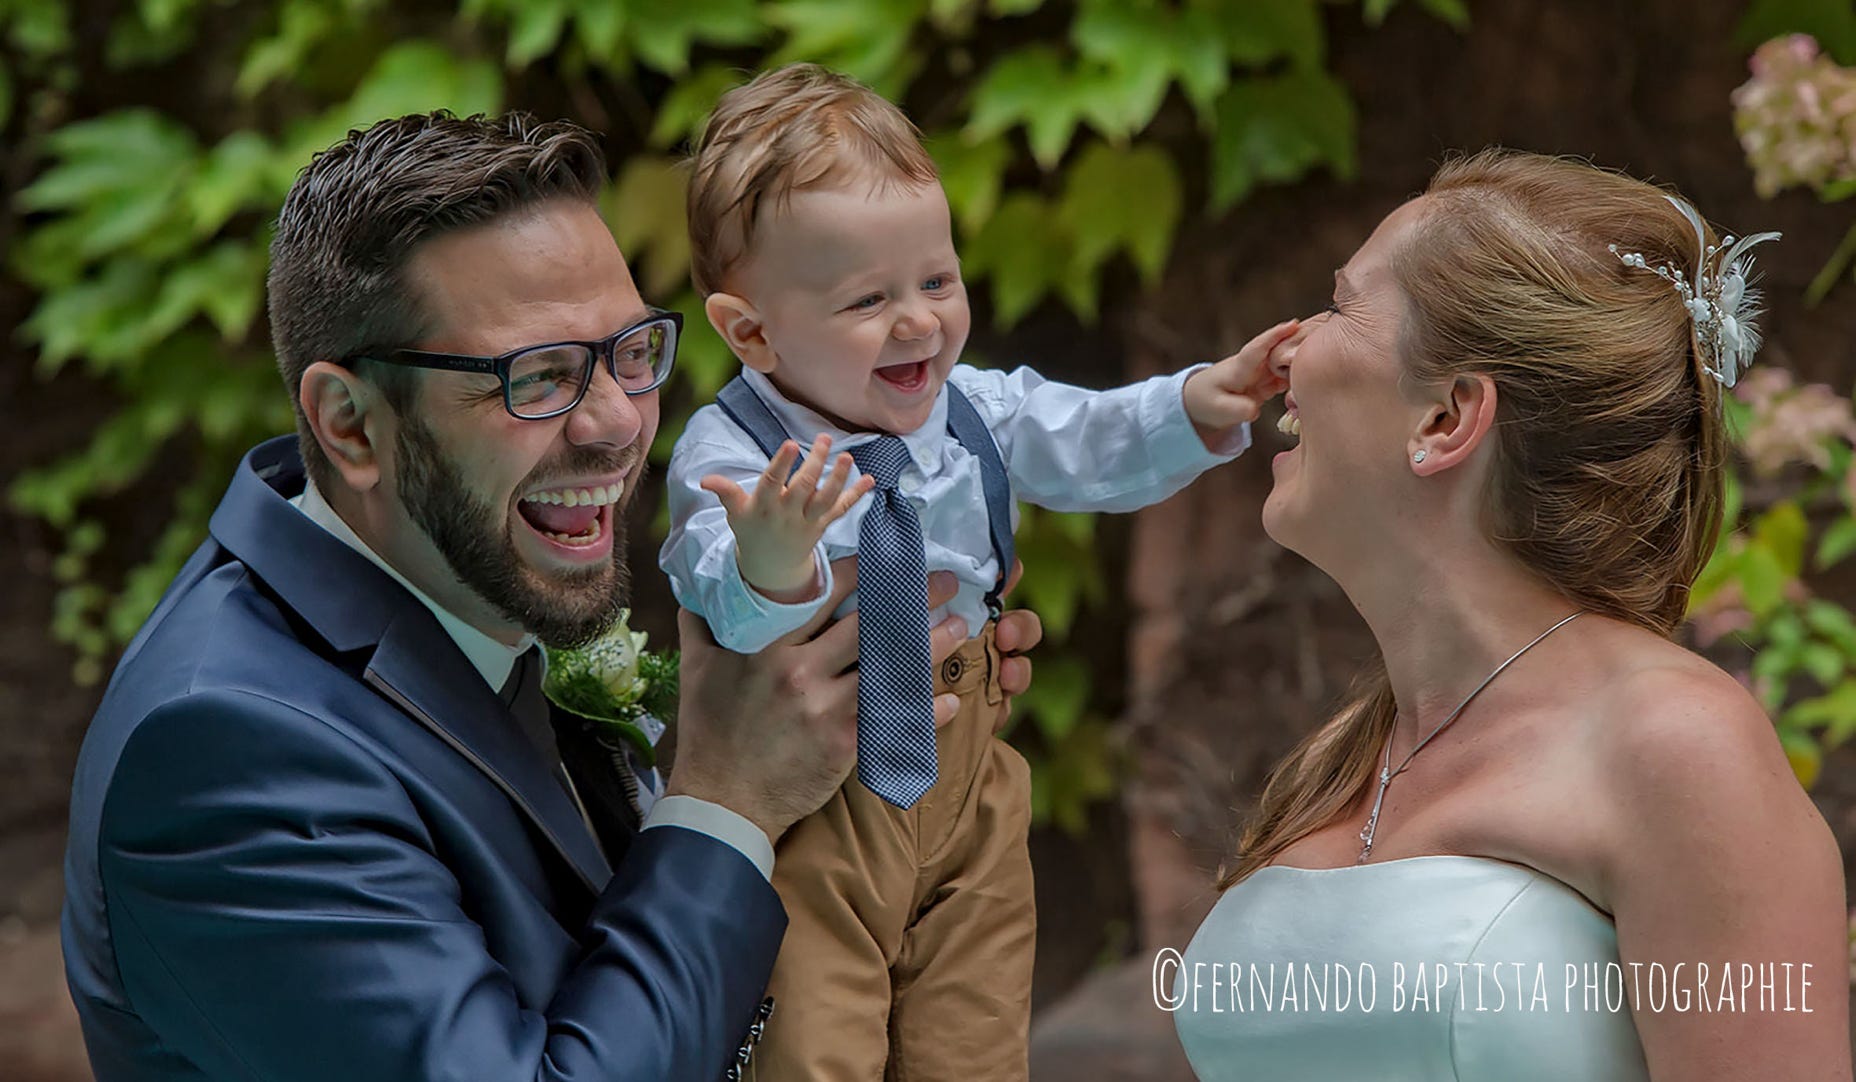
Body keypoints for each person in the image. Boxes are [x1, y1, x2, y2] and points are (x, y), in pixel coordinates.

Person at [58, 110, 1043, 1082]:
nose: (619, 423)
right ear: (350, 424)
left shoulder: (465, 576)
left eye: (628, 353)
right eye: (537, 376)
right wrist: (726, 797)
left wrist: (890, 685)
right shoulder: (222, 754)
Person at [659, 63, 1292, 1081]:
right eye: (865, 299)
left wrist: (1195, 403)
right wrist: (767, 563)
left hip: (971, 779)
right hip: (816, 801)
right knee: (813, 1039)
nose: (916, 321)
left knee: (977, 1040)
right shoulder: (735, 455)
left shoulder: (970, 408)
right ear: (750, 331)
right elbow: (717, 603)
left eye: (935, 280)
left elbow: (1080, 432)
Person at [1173, 149, 1852, 1081]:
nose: (1286, 348)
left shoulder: (1676, 744)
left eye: (1337, 306)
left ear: (1446, 420)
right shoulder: (1346, 758)